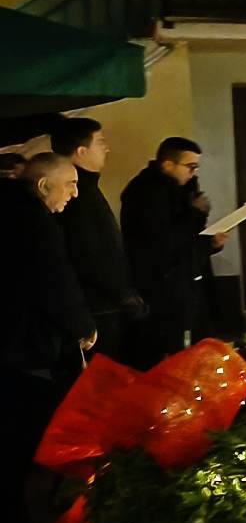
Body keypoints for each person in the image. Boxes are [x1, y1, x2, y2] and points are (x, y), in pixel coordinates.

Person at [1, 153, 96, 523]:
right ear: (43, 185)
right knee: (24, 440)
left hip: (12, 343)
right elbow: (54, 282)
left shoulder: (12, 214)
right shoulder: (36, 224)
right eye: (70, 183)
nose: (75, 193)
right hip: (23, 348)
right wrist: (83, 326)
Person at [50, 117, 139, 364]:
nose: (106, 148)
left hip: (106, 304)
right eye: (100, 142)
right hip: (97, 309)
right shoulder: (74, 197)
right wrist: (121, 293)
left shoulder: (88, 189)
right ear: (81, 151)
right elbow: (87, 254)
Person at [121, 138, 214, 364]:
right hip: (163, 287)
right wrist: (194, 213)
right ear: (167, 165)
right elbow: (162, 241)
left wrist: (210, 243)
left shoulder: (181, 190)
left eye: (196, 168)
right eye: (190, 167)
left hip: (183, 280)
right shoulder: (148, 193)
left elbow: (188, 236)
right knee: (172, 351)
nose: (193, 174)